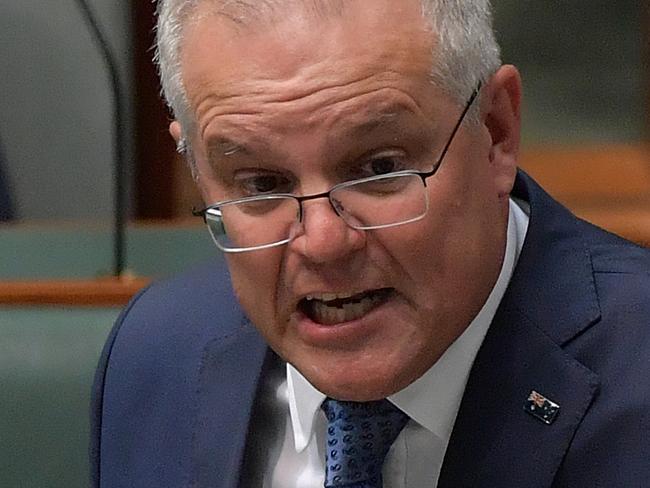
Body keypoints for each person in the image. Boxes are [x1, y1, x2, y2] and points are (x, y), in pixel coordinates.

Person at [90, 1, 650, 486]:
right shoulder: (157, 355)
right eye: (262, 185)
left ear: (497, 133)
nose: (325, 243)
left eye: (379, 169)